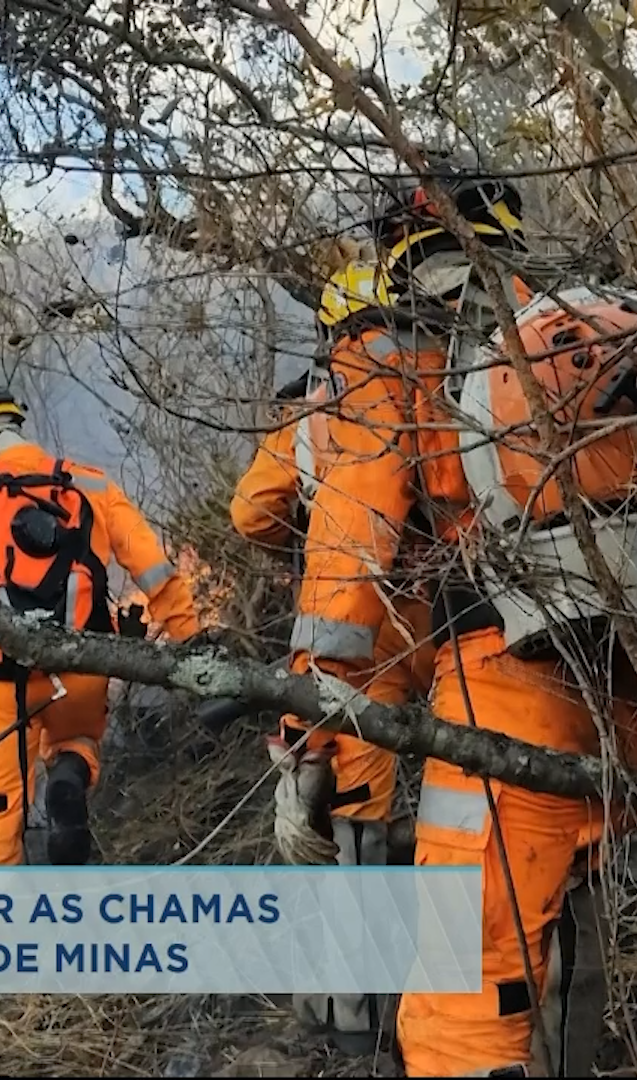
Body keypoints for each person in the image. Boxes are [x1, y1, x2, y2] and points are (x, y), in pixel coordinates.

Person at [371, 164, 637, 1078]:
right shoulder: (613, 317)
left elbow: (353, 567)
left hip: (504, 674)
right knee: (580, 907)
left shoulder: (385, 365)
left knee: (468, 971)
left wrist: (328, 728)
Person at [230, 261, 437, 1051]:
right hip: (444, 622)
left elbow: (250, 513)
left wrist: (308, 536)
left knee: (351, 821)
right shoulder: (437, 371)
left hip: (351, 636)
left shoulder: (315, 412)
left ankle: (352, 1022)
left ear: (328, 333)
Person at [0, 383, 203, 867]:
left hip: (3, 687)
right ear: (13, 426)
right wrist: (193, 640)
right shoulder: (89, 484)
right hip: (84, 671)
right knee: (76, 738)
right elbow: (153, 566)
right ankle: (71, 770)